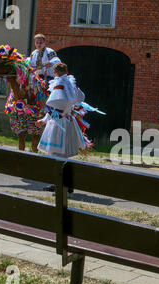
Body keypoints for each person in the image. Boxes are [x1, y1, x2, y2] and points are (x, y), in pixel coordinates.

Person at [35, 63, 94, 192]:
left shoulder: (59, 85)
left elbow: (56, 108)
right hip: (69, 121)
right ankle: (67, 184)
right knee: (64, 154)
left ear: (55, 73)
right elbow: (79, 98)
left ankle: (59, 184)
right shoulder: (72, 84)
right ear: (66, 71)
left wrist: (44, 120)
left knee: (55, 154)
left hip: (58, 124)